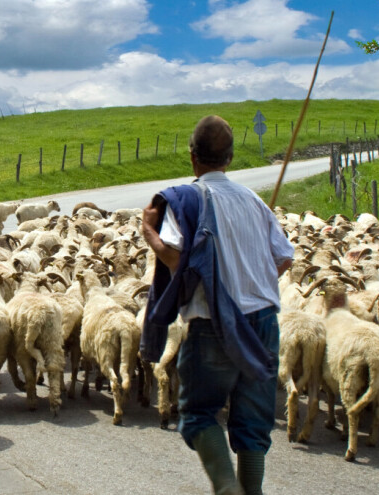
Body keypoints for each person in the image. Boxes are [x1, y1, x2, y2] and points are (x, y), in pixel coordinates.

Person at [140, 115, 294, 495]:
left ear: (193, 158)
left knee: (197, 413)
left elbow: (175, 258)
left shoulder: (187, 198)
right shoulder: (254, 200)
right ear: (230, 158)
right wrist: (251, 279)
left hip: (213, 323)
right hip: (262, 322)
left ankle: (227, 488)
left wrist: (148, 233)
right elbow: (284, 258)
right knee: (254, 420)